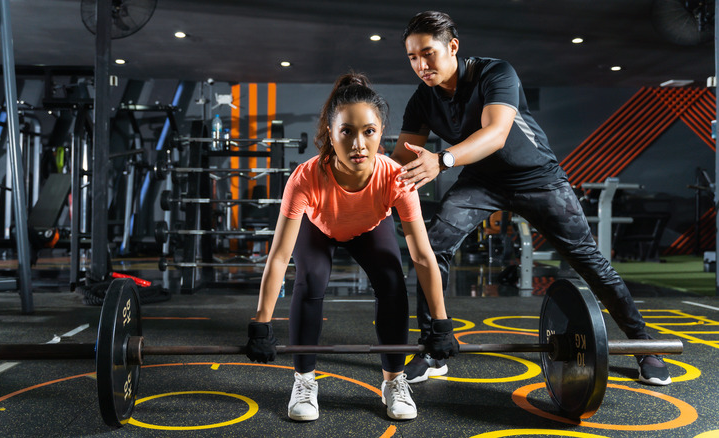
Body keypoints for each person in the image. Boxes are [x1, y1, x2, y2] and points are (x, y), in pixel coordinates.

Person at [390, 11, 671, 386]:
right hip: (481, 180)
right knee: (432, 245)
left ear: (452, 47)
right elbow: (401, 159)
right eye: (412, 57)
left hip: (536, 176)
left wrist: (442, 160)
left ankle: (644, 345)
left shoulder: (495, 73)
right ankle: (434, 346)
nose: (421, 65)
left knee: (588, 260)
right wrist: (356, 167)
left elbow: (496, 134)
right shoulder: (422, 100)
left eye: (428, 53)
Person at [244, 72, 459, 422]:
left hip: (369, 228)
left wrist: (441, 323)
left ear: (380, 133)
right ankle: (304, 381)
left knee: (391, 280)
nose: (359, 143)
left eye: (369, 132)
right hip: (319, 227)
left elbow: (422, 255)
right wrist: (261, 324)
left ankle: (394, 380)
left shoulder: (396, 178)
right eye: (347, 132)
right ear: (331, 134)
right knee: (310, 279)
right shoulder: (305, 177)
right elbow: (280, 255)